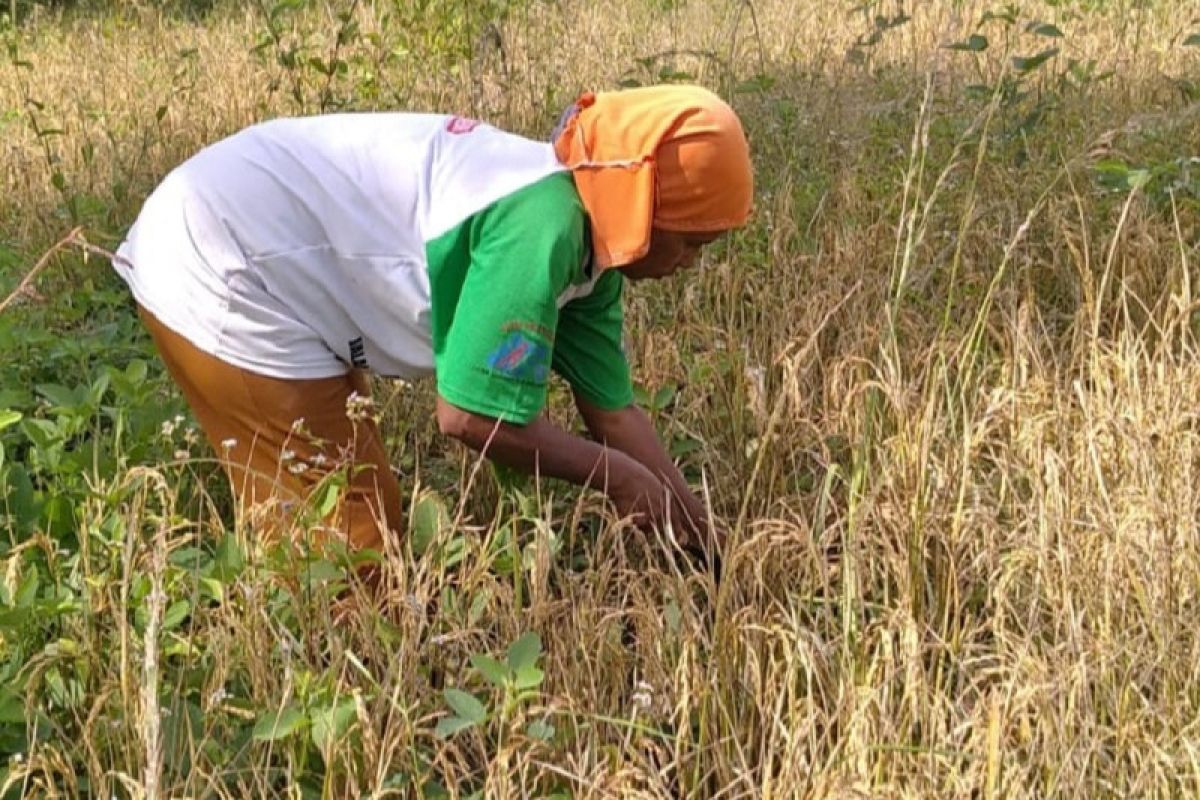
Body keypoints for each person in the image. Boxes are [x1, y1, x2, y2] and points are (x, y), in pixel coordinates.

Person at [111, 84, 754, 562]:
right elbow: (469, 416)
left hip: (268, 253)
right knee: (351, 546)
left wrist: (707, 546)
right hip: (224, 258)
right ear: (643, 212)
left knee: (330, 504)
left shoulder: (592, 247)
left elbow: (615, 416)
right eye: (691, 242)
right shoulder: (540, 228)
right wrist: (617, 478)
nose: (689, 265)